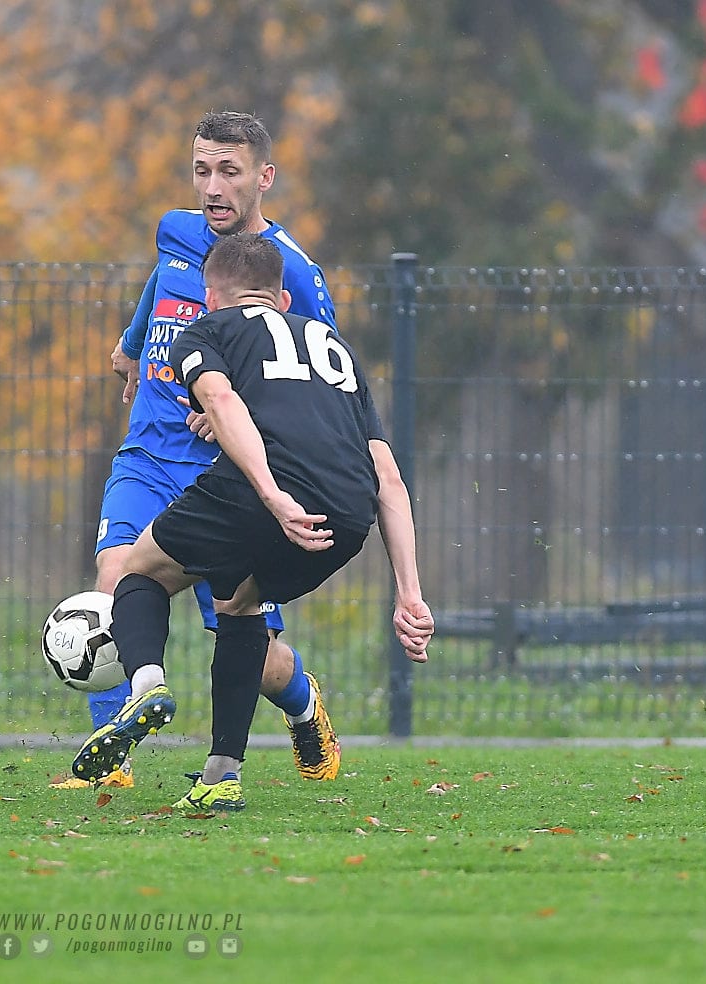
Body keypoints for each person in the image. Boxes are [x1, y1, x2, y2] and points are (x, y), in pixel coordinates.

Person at [68, 233, 434, 811]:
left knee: (139, 572)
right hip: (345, 518)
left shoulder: (206, 330)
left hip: (268, 497)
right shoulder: (334, 348)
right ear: (282, 299)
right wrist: (409, 592)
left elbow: (221, 400)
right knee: (240, 603)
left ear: (211, 298)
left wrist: (272, 495)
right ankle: (221, 774)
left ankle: (146, 687)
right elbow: (387, 475)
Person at [52, 110, 344, 790]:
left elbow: (316, 373)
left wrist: (240, 417)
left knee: (253, 649)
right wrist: (133, 344)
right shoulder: (177, 231)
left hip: (224, 477)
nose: (213, 187)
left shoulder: (294, 272)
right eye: (202, 170)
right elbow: (163, 280)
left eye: (229, 172)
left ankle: (303, 703)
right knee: (115, 583)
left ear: (264, 178)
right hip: (149, 455)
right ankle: (111, 763)